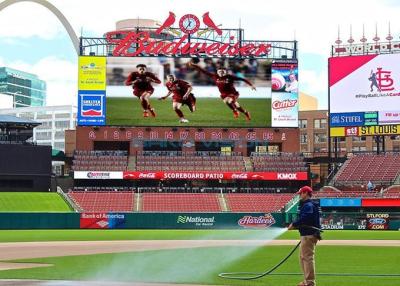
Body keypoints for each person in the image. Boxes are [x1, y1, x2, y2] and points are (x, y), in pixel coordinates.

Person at [189, 61, 256, 120]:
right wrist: (194, 65)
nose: (221, 72)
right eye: (219, 71)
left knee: (228, 101)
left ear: (225, 72)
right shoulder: (214, 76)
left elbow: (242, 79)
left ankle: (235, 111)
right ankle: (246, 113)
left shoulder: (229, 77)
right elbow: (202, 70)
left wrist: (251, 85)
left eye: (222, 71)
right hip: (224, 94)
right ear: (217, 72)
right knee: (237, 105)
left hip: (233, 93)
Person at [288, 186, 321, 286]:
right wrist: (297, 226)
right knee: (303, 258)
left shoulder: (308, 205)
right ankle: (307, 281)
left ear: (306, 193)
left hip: (308, 235)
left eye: (301, 193)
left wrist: (294, 224)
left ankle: (310, 282)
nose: (300, 195)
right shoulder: (308, 204)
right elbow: (307, 220)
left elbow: (306, 217)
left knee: (307, 258)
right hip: (307, 234)